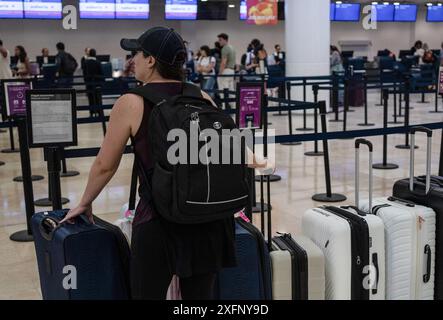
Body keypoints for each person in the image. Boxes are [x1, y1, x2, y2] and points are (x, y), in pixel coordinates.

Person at [60, 26, 272, 300]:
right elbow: (229, 152)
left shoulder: (132, 102)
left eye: (136, 53)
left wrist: (84, 202)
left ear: (151, 60)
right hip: (208, 221)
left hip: (159, 221)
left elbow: (105, 164)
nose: (131, 60)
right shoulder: (202, 97)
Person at [217, 33, 236, 108]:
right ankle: (234, 108)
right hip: (232, 71)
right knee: (231, 90)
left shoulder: (224, 48)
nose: (219, 42)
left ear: (225, 40)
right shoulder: (232, 48)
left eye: (220, 40)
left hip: (226, 71)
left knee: (222, 90)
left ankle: (224, 108)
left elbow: (223, 62)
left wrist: (220, 73)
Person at [83, 48, 104, 116]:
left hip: (89, 84)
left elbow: (84, 73)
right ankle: (99, 112)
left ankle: (92, 112)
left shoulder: (85, 62)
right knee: (98, 98)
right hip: (97, 83)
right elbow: (101, 72)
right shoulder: (98, 62)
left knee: (91, 98)